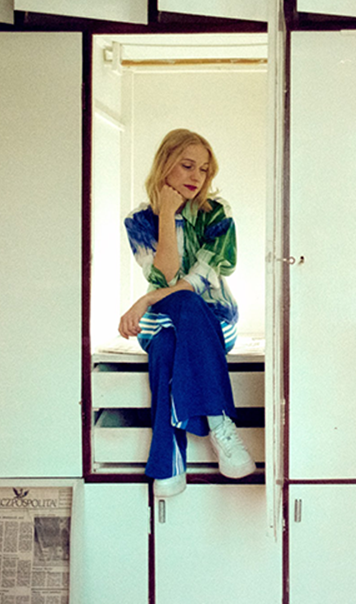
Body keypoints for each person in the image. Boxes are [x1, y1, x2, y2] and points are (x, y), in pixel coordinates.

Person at [118, 128, 255, 497]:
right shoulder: (139, 221)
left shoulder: (216, 214)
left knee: (182, 318)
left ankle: (170, 462)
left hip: (215, 322)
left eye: (204, 169)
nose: (197, 176)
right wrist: (167, 214)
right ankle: (220, 425)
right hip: (162, 322)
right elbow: (164, 274)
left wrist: (146, 300)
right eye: (187, 166)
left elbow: (198, 280)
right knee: (167, 338)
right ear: (165, 164)